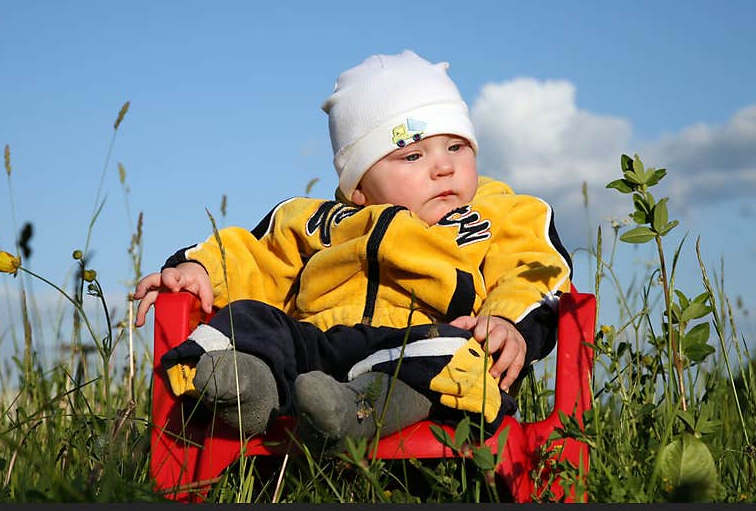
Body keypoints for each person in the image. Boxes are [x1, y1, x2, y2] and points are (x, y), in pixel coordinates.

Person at [134, 50, 572, 452]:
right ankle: (247, 390)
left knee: (454, 350)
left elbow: (532, 269)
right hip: (320, 348)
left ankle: (350, 413)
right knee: (251, 317)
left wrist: (505, 321)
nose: (444, 166)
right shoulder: (316, 220)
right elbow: (254, 256)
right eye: (413, 156)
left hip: (417, 346)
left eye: (456, 146)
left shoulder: (500, 213)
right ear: (360, 187)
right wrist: (198, 269)